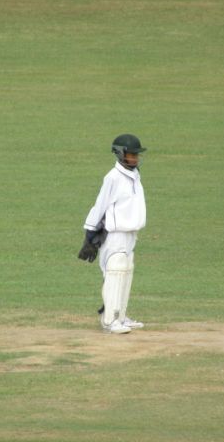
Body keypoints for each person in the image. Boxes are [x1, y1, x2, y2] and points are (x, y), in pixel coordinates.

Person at [78, 134, 147, 334]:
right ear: (120, 154)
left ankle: (122, 316)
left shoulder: (135, 175)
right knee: (115, 271)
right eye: (131, 155)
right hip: (115, 234)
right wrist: (90, 232)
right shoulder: (113, 177)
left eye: (136, 155)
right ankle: (109, 320)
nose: (134, 159)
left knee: (126, 271)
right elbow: (100, 205)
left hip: (131, 234)